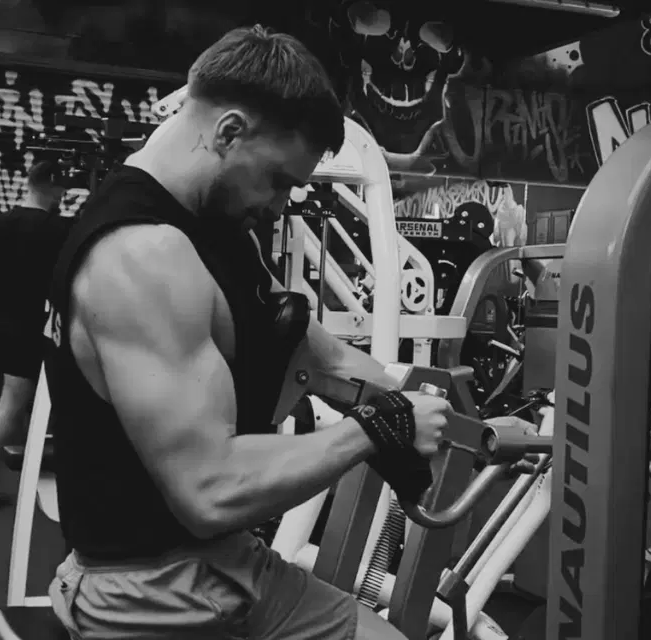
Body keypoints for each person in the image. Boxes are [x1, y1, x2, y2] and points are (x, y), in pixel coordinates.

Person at [44, 25, 451, 640]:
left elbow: (325, 357)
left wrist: (459, 424)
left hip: (229, 564)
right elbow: (209, 491)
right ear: (229, 131)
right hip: (148, 592)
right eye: (279, 179)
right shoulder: (141, 254)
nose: (282, 203)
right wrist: (375, 429)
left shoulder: (218, 226)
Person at [0, 161, 70, 509]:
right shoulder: (60, 229)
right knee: (13, 407)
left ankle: (32, 468)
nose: (63, 195)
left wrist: (5, 299)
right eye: (62, 188)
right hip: (32, 328)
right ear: (52, 186)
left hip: (0, 326)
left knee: (18, 404)